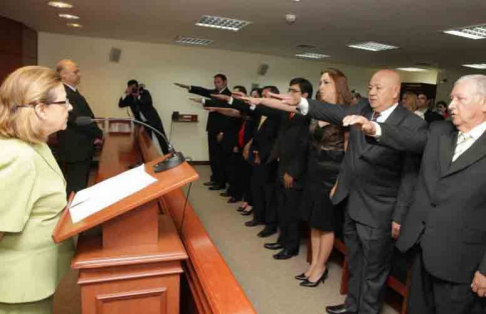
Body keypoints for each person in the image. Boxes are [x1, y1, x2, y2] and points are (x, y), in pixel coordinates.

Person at [244, 69, 427, 314]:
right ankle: (352, 306)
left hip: (380, 209)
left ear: (395, 92)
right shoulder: (361, 108)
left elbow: (410, 173)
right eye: (370, 86)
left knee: (373, 271)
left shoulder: (413, 123)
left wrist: (399, 215)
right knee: (355, 262)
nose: (371, 92)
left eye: (378, 88)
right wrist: (302, 103)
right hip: (353, 202)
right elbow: (330, 111)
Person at [392, 75, 486, 314]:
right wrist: (375, 129)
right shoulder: (439, 130)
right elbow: (406, 139)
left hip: (462, 262)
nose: (451, 105)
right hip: (423, 249)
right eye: (451, 98)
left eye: (459, 99)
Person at [0, 66, 75, 313]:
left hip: (35, 277)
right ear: (41, 109)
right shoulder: (18, 157)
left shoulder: (36, 145)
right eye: (64, 102)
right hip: (17, 288)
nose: (70, 108)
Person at [296, 69, 350, 286]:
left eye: (326, 82)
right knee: (314, 222)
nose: (321, 86)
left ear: (338, 86)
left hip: (332, 175)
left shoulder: (345, 113)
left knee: (326, 224)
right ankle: (313, 264)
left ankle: (320, 267)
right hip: (314, 172)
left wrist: (339, 184)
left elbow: (349, 154)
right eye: (320, 82)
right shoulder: (316, 111)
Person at [174, 74, 232, 190]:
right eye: (215, 82)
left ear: (225, 82)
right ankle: (215, 179)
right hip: (211, 128)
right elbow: (204, 91)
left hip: (220, 131)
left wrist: (222, 132)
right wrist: (189, 87)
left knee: (219, 157)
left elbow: (224, 112)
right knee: (213, 155)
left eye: (218, 82)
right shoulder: (216, 92)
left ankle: (220, 182)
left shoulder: (229, 95)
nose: (216, 84)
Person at [56, 59, 103, 195]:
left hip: (80, 146)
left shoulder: (72, 92)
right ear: (63, 75)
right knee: (76, 187)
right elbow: (77, 120)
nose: (79, 74)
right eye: (75, 72)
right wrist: (99, 134)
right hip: (75, 148)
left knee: (79, 185)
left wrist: (95, 135)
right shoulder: (63, 92)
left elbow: (86, 117)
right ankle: (72, 215)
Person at [118, 79, 169, 154]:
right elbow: (121, 105)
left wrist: (138, 96)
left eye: (134, 87)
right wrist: (125, 94)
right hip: (144, 124)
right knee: (147, 143)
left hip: (154, 120)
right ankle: (149, 160)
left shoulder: (145, 92)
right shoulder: (129, 97)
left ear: (137, 86)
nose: (133, 89)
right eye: (131, 88)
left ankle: (168, 157)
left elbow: (148, 102)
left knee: (162, 140)